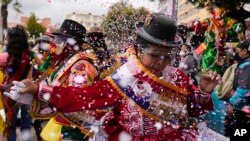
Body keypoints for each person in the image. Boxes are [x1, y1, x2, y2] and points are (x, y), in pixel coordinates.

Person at [12, 13, 221, 141]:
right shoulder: (124, 76)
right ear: (139, 50)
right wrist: (39, 89)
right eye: (155, 56)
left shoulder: (178, 77)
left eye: (168, 57)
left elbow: (192, 110)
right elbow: (84, 97)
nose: (161, 62)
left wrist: (204, 91)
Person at [0, 25, 34, 141]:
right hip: (27, 92)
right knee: (26, 126)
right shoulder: (31, 55)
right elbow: (45, 70)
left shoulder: (5, 57)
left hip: (9, 93)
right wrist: (35, 82)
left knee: (11, 126)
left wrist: (2, 86)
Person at [194, 6, 244, 74]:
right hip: (208, 52)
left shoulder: (227, 21)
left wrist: (238, 30)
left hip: (217, 52)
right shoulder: (209, 22)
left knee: (214, 69)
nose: (220, 22)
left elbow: (236, 27)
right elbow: (202, 35)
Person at [225, 40, 250, 137]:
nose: (236, 53)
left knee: (238, 133)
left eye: (238, 50)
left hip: (242, 109)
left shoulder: (247, 66)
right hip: (243, 107)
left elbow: (244, 89)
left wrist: (232, 103)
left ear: (244, 51)